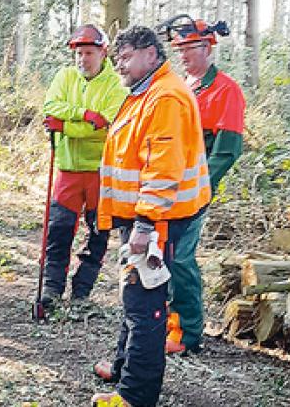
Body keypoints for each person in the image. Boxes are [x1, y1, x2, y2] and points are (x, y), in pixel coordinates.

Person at [90, 26, 211, 407]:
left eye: (124, 57)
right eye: (117, 59)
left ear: (149, 53)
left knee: (145, 305)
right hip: (143, 217)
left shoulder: (166, 97)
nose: (119, 66)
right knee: (134, 297)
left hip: (158, 220)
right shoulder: (145, 91)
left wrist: (144, 224)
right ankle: (125, 366)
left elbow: (163, 166)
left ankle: (134, 397)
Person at [165, 17, 245, 355]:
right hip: (168, 184)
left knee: (181, 257)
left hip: (194, 189)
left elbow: (226, 151)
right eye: (179, 49)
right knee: (164, 255)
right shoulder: (183, 86)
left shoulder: (226, 90)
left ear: (208, 47)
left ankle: (188, 333)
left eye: (189, 48)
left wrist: (197, 188)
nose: (183, 55)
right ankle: (168, 323)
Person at [41, 25, 127, 306]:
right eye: (79, 53)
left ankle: (82, 291)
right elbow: (51, 106)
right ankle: (52, 289)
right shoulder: (65, 77)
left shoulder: (116, 85)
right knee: (59, 230)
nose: (83, 59)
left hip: (100, 172)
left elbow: (103, 126)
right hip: (67, 170)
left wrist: (65, 126)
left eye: (89, 53)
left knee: (97, 235)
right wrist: (83, 114)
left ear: (103, 53)